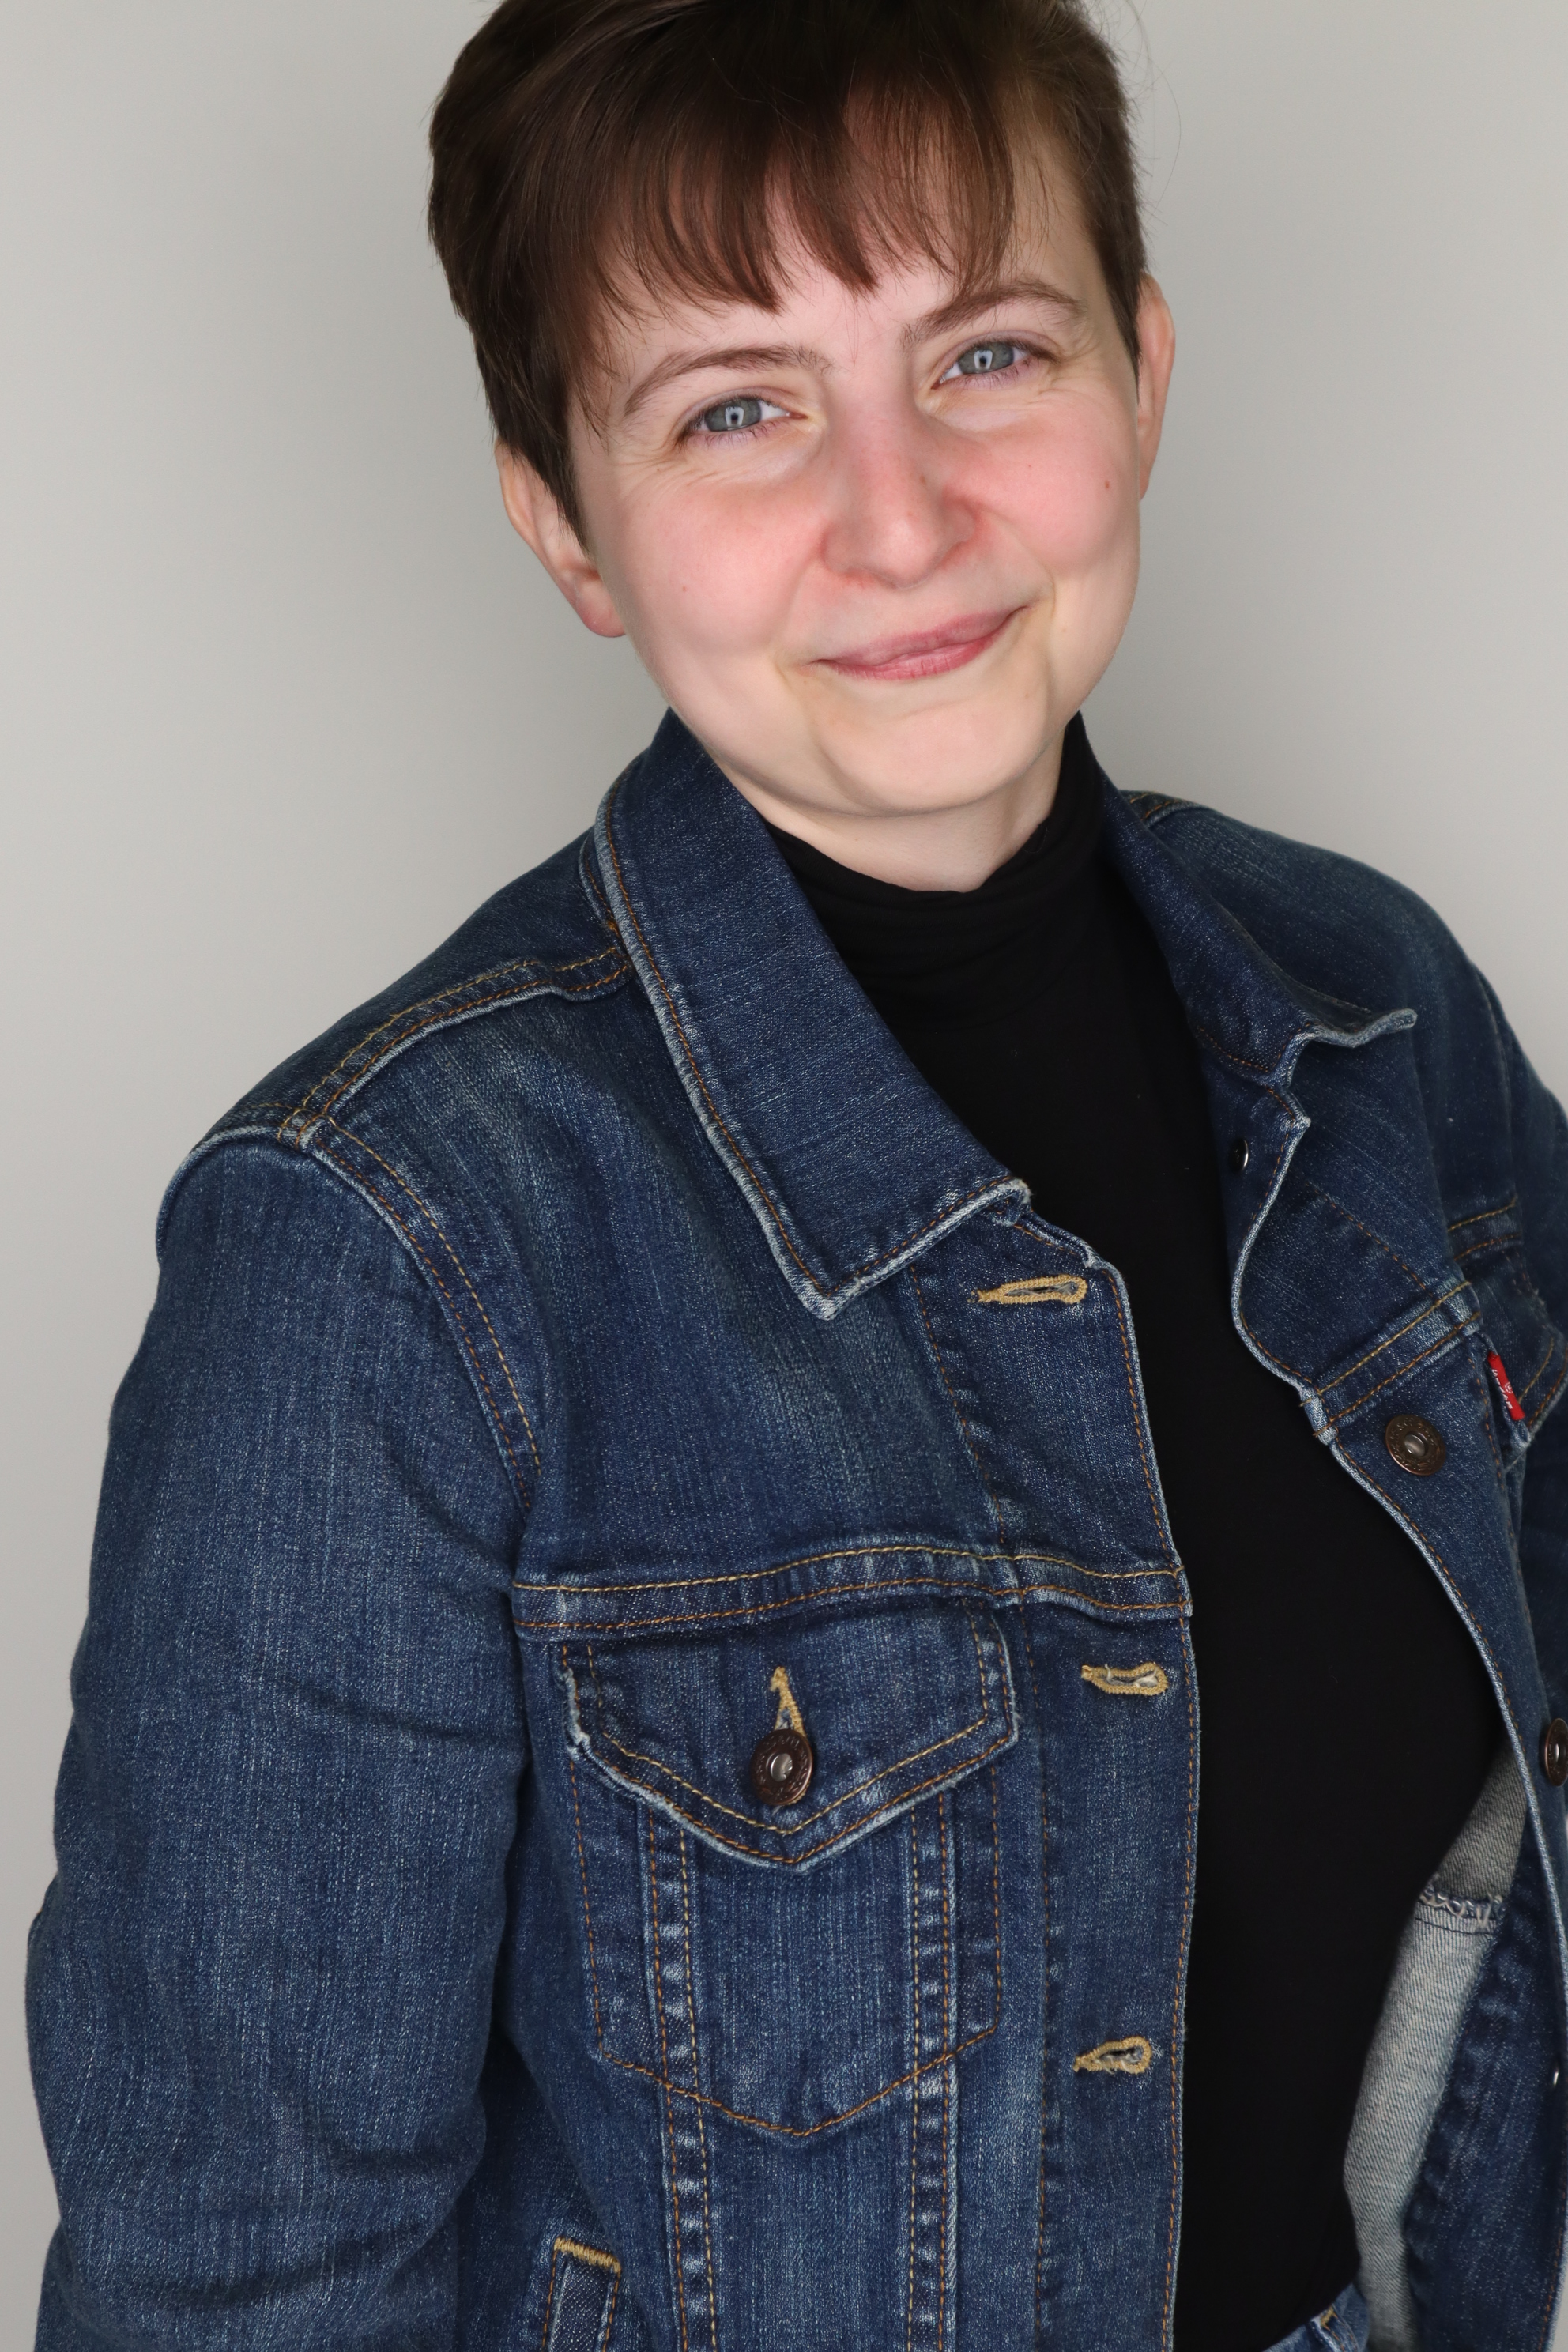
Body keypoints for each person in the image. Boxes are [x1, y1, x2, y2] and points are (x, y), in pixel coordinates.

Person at [26, 2, 1568, 2347]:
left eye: (988, 354)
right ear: (566, 523)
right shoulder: (383, 1248)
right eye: (738, 406)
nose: (901, 516)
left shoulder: (1375, 1008)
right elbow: (238, 2283)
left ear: (1140, 375)